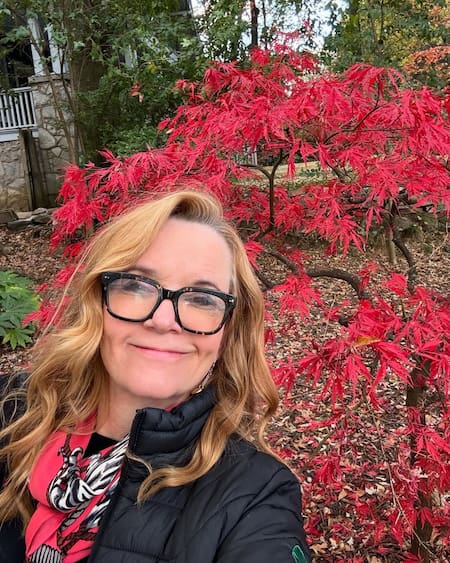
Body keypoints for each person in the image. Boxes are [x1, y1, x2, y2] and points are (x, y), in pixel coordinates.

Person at [0, 190, 311, 563]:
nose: (163, 321)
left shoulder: (254, 495)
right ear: (97, 301)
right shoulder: (12, 412)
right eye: (136, 285)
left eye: (202, 298)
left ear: (228, 331)